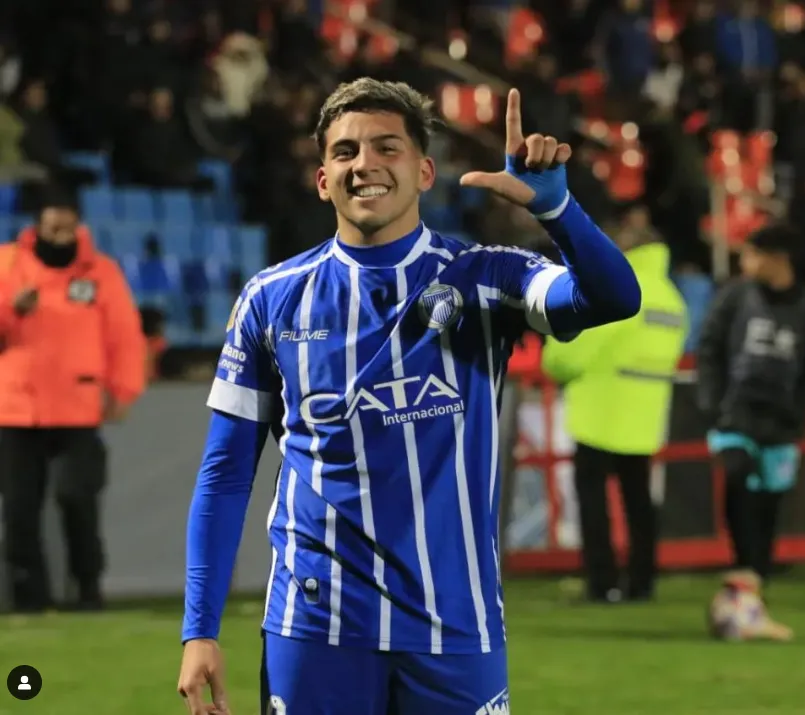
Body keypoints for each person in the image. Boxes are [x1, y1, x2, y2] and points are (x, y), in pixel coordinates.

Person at [177, 78, 642, 715]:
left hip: (456, 625)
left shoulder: (486, 277)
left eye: (385, 148)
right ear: (322, 180)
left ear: (425, 172)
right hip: (318, 628)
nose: (364, 163)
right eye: (344, 152)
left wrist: (559, 213)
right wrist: (199, 629)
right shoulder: (271, 298)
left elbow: (615, 298)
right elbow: (226, 473)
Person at [0, 195, 146, 612]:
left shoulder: (100, 273)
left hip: (77, 408)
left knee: (77, 499)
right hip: (15, 409)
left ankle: (87, 589)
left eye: (68, 230)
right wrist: (10, 310)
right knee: (20, 509)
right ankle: (29, 598)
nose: (61, 238)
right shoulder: (7, 266)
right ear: (36, 228)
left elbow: (124, 337)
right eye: (53, 230)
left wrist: (123, 389)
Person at [541, 205, 688, 603]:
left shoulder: (617, 285)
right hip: (646, 414)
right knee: (640, 501)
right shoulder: (671, 296)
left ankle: (601, 581)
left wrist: (553, 360)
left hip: (600, 409)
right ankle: (642, 582)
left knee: (593, 501)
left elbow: (573, 352)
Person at [697, 224, 805, 593]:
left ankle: (757, 569)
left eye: (752, 254)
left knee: (770, 496)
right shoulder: (734, 297)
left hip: (781, 420)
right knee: (738, 476)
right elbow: (709, 348)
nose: (746, 262)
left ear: (777, 259)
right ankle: (744, 566)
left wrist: (799, 405)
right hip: (735, 414)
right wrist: (713, 402)